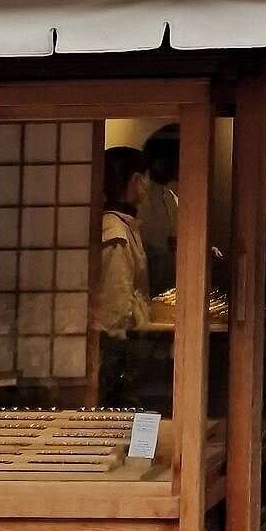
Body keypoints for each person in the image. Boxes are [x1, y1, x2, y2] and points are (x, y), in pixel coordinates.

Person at [97, 147, 151, 404]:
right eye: (145, 177)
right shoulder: (115, 230)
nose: (147, 185)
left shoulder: (123, 224)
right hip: (115, 344)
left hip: (120, 341)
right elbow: (115, 301)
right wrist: (121, 344)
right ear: (135, 180)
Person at [138, 129, 180, 295]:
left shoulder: (169, 197)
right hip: (144, 291)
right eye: (179, 157)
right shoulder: (139, 199)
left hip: (168, 290)